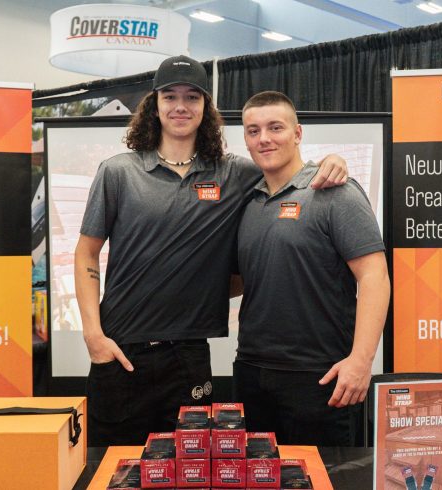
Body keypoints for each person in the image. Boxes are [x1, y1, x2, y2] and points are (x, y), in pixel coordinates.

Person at [75, 57, 349, 447]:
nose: (180, 106)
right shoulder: (118, 171)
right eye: (170, 96)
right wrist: (93, 337)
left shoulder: (234, 173)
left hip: (190, 356)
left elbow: (286, 167)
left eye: (192, 97)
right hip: (122, 352)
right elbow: (86, 254)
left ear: (206, 107)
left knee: (190, 469)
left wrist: (331, 162)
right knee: (109, 468)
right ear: (155, 104)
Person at [232, 91, 390, 446]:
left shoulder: (335, 192)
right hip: (252, 375)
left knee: (325, 474)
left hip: (321, 378)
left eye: (275, 127)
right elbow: (241, 280)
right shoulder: (248, 202)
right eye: (254, 131)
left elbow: (375, 277)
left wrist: (361, 361)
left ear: (298, 133)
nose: (264, 138)